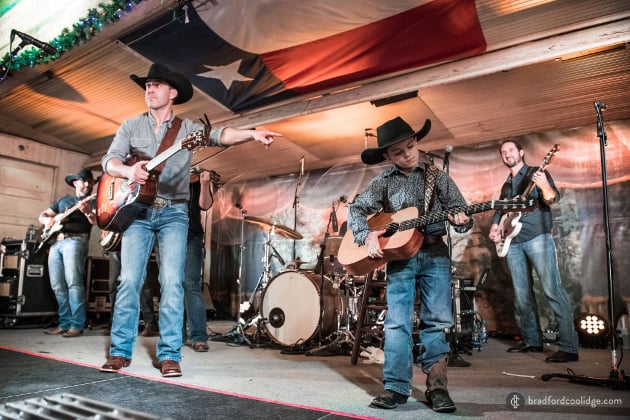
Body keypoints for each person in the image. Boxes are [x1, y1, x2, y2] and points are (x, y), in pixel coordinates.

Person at [99, 62, 280, 377]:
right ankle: (119, 352)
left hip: (174, 212)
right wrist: (128, 170)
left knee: (172, 282)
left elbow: (221, 135)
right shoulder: (131, 125)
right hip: (137, 212)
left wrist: (252, 133)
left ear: (172, 93)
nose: (150, 89)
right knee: (129, 280)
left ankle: (170, 354)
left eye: (156, 85)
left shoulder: (187, 130)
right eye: (147, 85)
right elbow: (109, 161)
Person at [347, 117, 472, 413]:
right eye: (399, 152)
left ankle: (438, 387)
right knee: (396, 322)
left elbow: (461, 212)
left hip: (435, 253)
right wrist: (367, 235)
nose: (408, 155)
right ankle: (396, 387)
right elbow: (356, 209)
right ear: (387, 156)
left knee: (437, 319)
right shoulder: (383, 182)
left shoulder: (438, 177)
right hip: (400, 256)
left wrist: (462, 220)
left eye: (411, 146)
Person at [488, 139, 579, 362]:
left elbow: (552, 199)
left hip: (537, 237)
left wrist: (544, 185)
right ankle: (532, 340)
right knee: (522, 295)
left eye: (511, 150)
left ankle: (569, 347)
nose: (507, 154)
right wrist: (495, 226)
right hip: (513, 242)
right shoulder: (507, 184)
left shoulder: (536, 173)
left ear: (521, 152)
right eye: (503, 152)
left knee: (552, 289)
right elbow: (501, 209)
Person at [39, 168, 96, 337]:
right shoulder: (64, 200)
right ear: (75, 183)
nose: (87, 184)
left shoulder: (93, 201)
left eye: (90, 182)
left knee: (73, 283)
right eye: (83, 181)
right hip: (56, 243)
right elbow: (42, 215)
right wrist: (48, 220)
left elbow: (96, 221)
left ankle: (77, 325)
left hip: (76, 241)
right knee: (57, 285)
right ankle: (64, 323)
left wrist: (87, 211)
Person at [183, 168, 214, 352]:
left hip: (191, 234)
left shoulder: (194, 175)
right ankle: (175, 335)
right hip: (166, 235)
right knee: (170, 285)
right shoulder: (165, 172)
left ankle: (199, 336)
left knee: (191, 283)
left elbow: (205, 205)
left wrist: (204, 183)